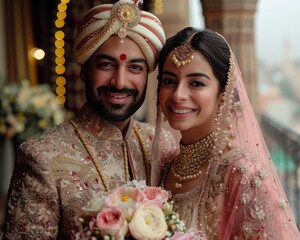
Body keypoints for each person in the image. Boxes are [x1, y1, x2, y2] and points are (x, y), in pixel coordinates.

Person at [1, 1, 178, 239]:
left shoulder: (161, 144)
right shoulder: (42, 157)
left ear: (147, 76)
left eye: (135, 67)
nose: (119, 82)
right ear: (84, 71)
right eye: (106, 65)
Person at [155, 27, 300, 239]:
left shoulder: (242, 173)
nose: (178, 95)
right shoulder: (166, 164)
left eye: (196, 83)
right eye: (169, 81)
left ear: (223, 93)